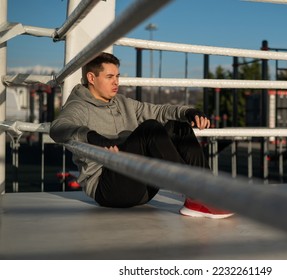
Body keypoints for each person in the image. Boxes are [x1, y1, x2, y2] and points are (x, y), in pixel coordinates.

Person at [50, 52, 233, 219]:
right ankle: (195, 191)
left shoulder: (122, 102)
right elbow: (58, 128)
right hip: (109, 189)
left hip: (140, 185)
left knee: (177, 125)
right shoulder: (78, 106)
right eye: (109, 77)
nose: (116, 82)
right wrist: (92, 137)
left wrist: (189, 113)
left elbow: (159, 111)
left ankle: (204, 194)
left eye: (117, 76)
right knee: (150, 129)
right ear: (91, 78)